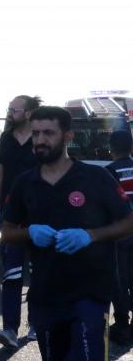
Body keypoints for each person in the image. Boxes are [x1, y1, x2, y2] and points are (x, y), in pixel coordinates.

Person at [1, 106, 133, 360]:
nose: (40, 140)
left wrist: (91, 235)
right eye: (36, 133)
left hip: (90, 294)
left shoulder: (96, 177)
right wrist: (30, 232)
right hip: (45, 295)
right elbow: (7, 233)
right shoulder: (25, 183)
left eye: (48, 133)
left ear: (68, 137)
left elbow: (129, 222)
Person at [0, 95, 42, 348]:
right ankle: (9, 328)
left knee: (37, 272)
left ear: (30, 112)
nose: (10, 112)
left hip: (39, 214)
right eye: (9, 108)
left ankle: (36, 323)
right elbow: (1, 172)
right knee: (11, 272)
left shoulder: (41, 137)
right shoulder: (5, 138)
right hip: (11, 215)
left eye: (14, 109)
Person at [106, 130, 133, 343]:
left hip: (120, 234)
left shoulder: (108, 172)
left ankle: (122, 324)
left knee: (119, 280)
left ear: (111, 148)